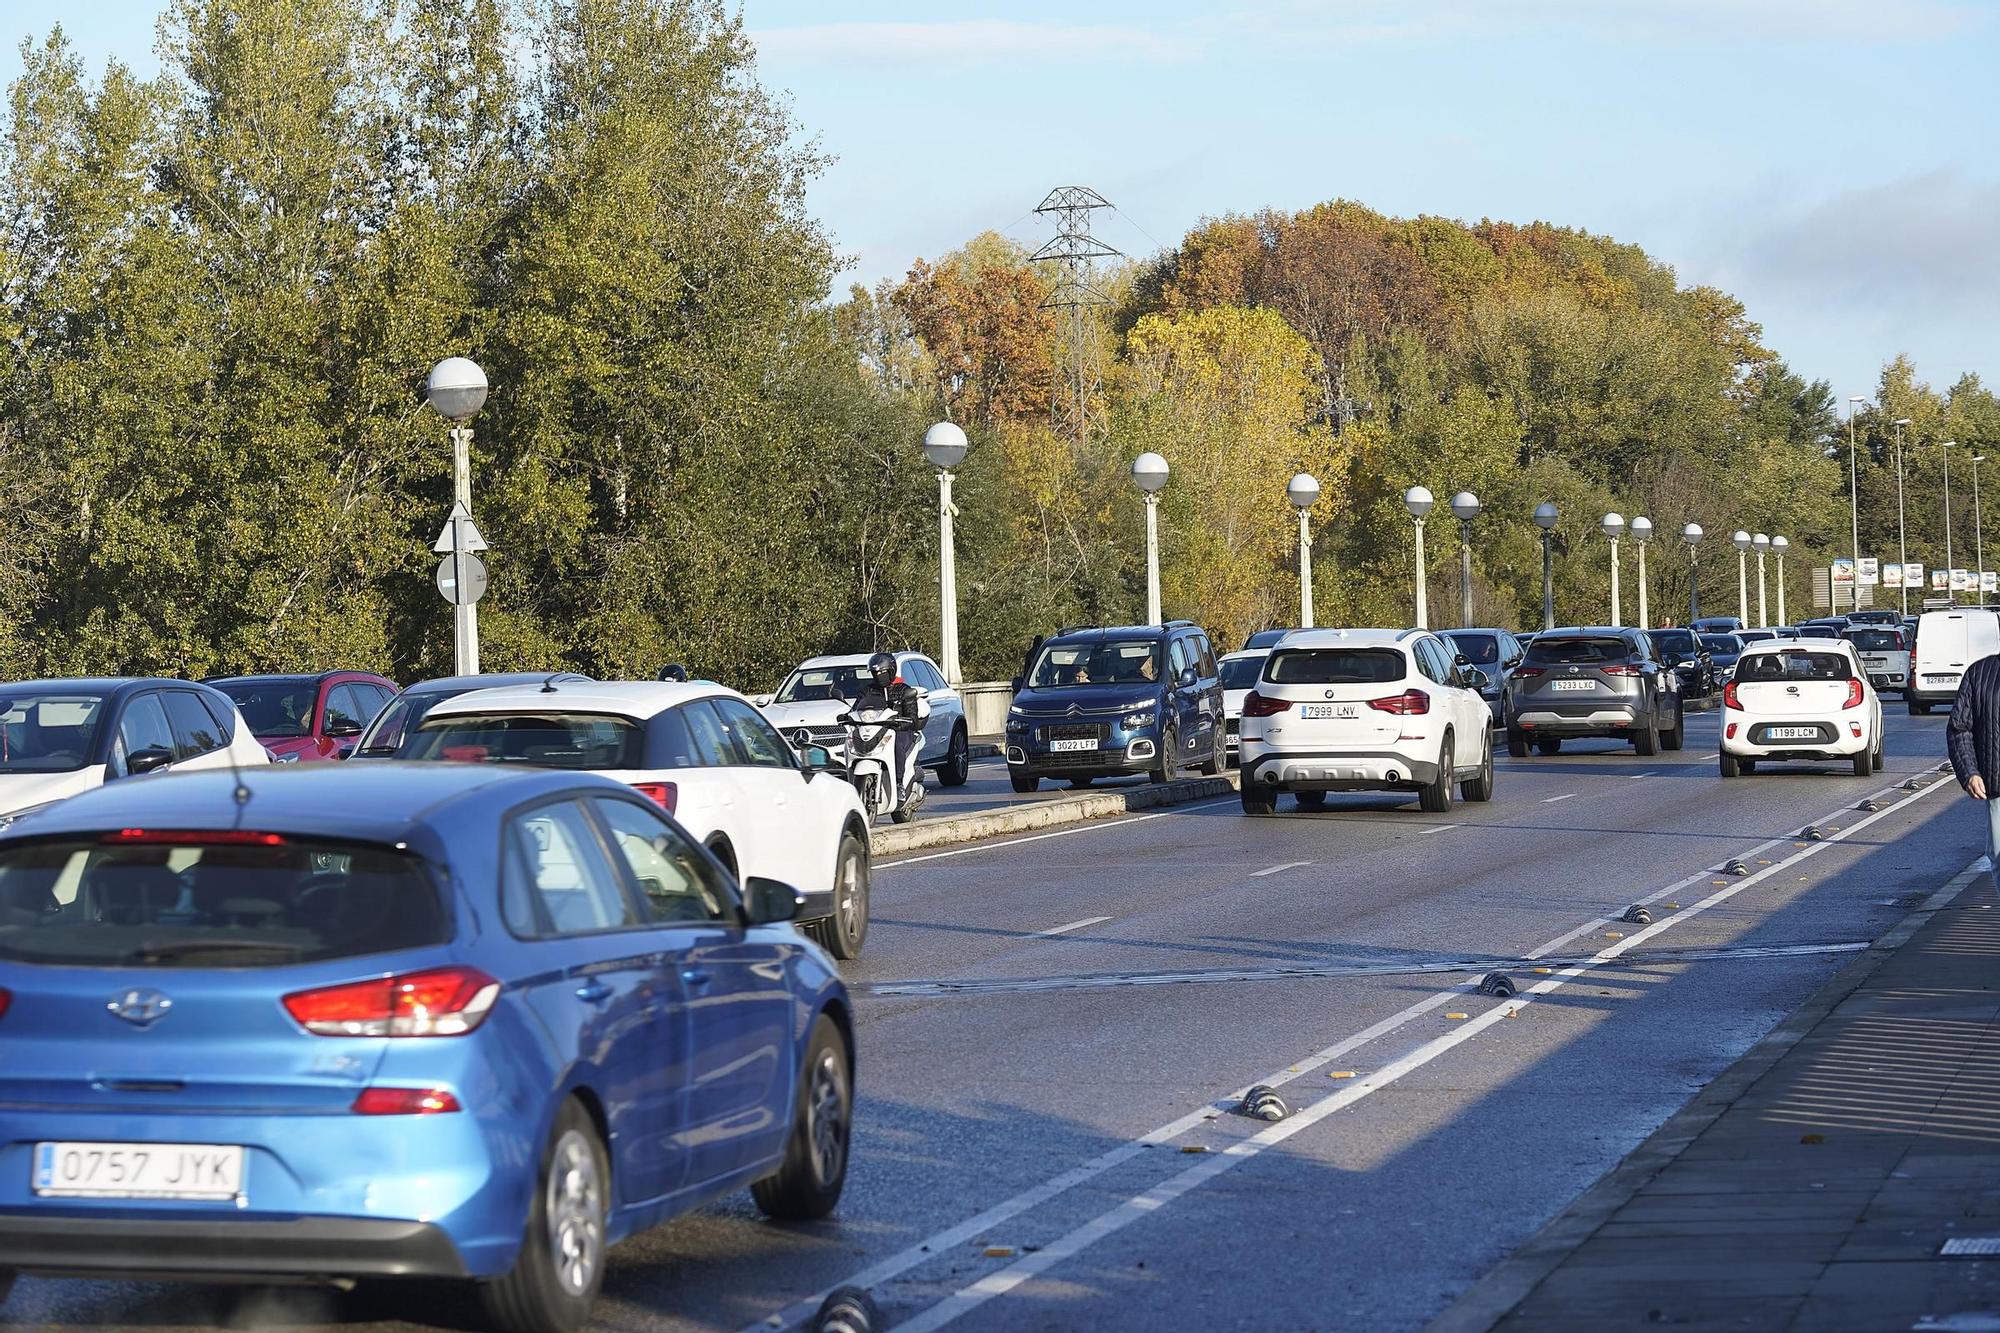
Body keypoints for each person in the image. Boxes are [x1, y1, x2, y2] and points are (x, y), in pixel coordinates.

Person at [851, 651, 929, 806]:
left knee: (897, 745)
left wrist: (903, 722)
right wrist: (848, 716)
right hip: (874, 730)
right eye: (875, 673)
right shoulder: (867, 691)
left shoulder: (904, 690)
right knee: (853, 742)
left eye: (882, 673)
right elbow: (856, 708)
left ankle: (899, 783)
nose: (878, 676)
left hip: (900, 730)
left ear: (891, 670)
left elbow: (912, 717)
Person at [1947, 654, 2000, 874]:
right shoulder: (1980, 673)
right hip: (1997, 786)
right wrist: (1969, 772)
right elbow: (1959, 728)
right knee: (1999, 858)